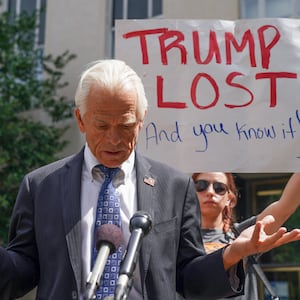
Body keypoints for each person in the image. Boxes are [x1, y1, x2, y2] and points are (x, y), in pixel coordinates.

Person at [1, 59, 300, 300]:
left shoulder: (174, 187)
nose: (114, 139)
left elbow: (190, 281)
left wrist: (231, 254)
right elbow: (21, 272)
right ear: (80, 119)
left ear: (142, 121)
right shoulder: (41, 186)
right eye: (102, 125)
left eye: (126, 125)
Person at [192, 172, 300, 299]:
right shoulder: (177, 239)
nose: (210, 192)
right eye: (200, 185)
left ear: (230, 199)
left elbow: (285, 206)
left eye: (219, 188)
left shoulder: (244, 233)